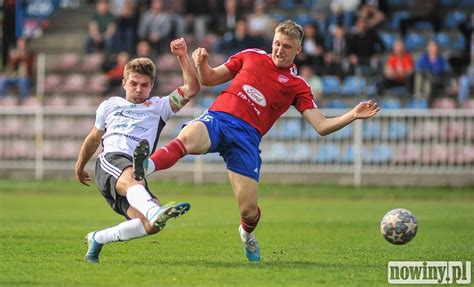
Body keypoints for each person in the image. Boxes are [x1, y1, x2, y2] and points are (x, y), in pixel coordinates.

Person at [132, 20, 379, 262]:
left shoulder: (298, 86)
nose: (279, 50)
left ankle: (247, 233)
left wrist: (353, 115)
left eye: (287, 47)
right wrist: (203, 63)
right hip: (219, 118)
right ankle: (145, 167)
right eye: (277, 44)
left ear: (298, 50)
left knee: (249, 211)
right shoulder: (251, 55)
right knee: (187, 138)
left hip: (247, 140)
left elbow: (321, 126)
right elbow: (208, 79)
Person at [75, 37, 200, 263]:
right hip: (111, 160)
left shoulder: (159, 107)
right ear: (124, 83)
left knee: (152, 225)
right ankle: (152, 208)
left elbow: (192, 88)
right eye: (133, 83)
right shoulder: (110, 105)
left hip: (134, 169)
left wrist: (182, 56)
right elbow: (94, 138)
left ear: (151, 86)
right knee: (137, 183)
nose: (139, 89)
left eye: (144, 85)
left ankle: (98, 238)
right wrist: (80, 165)